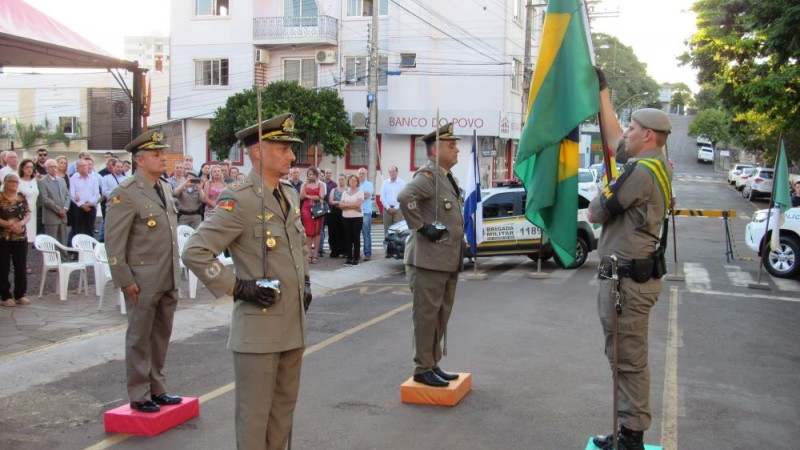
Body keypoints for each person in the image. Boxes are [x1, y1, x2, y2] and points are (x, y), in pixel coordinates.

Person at [182, 113, 311, 450]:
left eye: (290, 149)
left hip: (292, 324)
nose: (291, 156)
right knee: (254, 417)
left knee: (283, 413)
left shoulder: (290, 194)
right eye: (283, 148)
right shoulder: (239, 198)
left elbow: (296, 247)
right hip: (259, 327)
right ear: (258, 152)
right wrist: (237, 287)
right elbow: (195, 251)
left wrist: (306, 282)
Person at [588, 69, 674, 450]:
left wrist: (598, 189)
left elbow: (595, 211)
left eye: (632, 130)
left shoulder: (641, 172)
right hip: (629, 280)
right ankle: (627, 432)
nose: (626, 135)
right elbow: (612, 138)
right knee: (624, 358)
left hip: (627, 284)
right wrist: (603, 93)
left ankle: (632, 438)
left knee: (628, 362)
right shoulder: (655, 164)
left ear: (648, 136)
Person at [105, 130, 183, 414]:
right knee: (139, 337)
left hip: (167, 276)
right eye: (156, 154)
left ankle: (157, 388)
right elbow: (114, 242)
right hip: (142, 280)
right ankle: (139, 393)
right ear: (139, 160)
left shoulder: (162, 187)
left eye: (162, 153)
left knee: (161, 335)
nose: (163, 158)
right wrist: (125, 280)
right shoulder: (124, 194)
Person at [397, 122, 464, 388]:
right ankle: (422, 367)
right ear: (435, 151)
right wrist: (422, 227)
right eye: (451, 145)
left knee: (440, 315)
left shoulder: (446, 177)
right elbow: (405, 197)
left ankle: (432, 363)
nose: (456, 149)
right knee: (426, 316)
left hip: (445, 261)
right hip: (428, 261)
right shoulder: (428, 177)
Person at [0, 173, 32, 307]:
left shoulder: (21, 196)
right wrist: (8, 225)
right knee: (3, 266)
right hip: (3, 236)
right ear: (6, 182)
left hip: (19, 235)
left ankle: (20, 294)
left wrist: (21, 223)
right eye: (12, 182)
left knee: (20, 265)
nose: (15, 184)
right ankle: (5, 295)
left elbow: (28, 213)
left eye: (17, 182)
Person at [37, 159, 70, 257]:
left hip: (63, 215)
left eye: (55, 166)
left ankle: (64, 258)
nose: (54, 169)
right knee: (51, 240)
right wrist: (57, 209)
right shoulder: (42, 182)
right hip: (51, 216)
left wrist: (65, 208)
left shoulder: (62, 180)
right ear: (46, 169)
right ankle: (51, 260)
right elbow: (44, 198)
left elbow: (67, 196)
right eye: (51, 167)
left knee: (63, 239)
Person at [299, 166, 327, 264]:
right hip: (306, 209)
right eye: (309, 174)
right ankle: (309, 254)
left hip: (317, 209)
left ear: (316, 175)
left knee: (317, 232)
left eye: (313, 174)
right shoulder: (304, 184)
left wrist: (308, 196)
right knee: (308, 232)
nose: (311, 176)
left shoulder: (321, 184)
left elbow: (320, 196)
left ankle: (315, 254)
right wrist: (303, 186)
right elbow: (301, 197)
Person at [69, 159, 100, 240]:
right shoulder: (73, 178)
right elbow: (72, 194)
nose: (84, 167)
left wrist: (89, 203)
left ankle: (89, 251)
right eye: (81, 166)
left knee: (90, 229)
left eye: (85, 165)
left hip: (91, 207)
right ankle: (77, 251)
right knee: (78, 230)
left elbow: (96, 194)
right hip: (78, 207)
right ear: (77, 168)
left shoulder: (94, 178)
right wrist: (82, 204)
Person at [99, 158, 128, 242]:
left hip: (123, 205)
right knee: (109, 224)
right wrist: (117, 196)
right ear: (113, 167)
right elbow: (105, 191)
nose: (119, 168)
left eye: (121, 167)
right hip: (111, 204)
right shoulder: (106, 178)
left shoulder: (126, 179)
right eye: (117, 166)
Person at [340, 174, 364, 267]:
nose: (352, 182)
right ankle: (349, 258)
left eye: (354, 180)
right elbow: (341, 205)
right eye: (351, 180)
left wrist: (347, 205)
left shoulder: (360, 192)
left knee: (356, 238)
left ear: (357, 182)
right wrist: (352, 205)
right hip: (346, 217)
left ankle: (356, 258)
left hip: (357, 218)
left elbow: (358, 205)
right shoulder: (345, 193)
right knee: (348, 238)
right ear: (348, 182)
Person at [17, 159, 39, 247]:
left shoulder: (34, 181)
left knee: (31, 238)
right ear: (22, 168)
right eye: (27, 167)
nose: (29, 169)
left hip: (33, 211)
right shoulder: (18, 181)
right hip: (22, 212)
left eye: (31, 167)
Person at [380, 165, 407, 236]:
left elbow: (403, 196)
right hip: (387, 210)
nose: (392, 173)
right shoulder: (385, 183)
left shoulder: (402, 182)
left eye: (393, 171)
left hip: (398, 210)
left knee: (398, 230)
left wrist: (395, 208)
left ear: (397, 172)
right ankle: (387, 246)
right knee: (387, 230)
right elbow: (382, 197)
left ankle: (396, 246)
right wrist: (388, 208)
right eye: (390, 172)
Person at [327, 174, 346, 258]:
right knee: (334, 233)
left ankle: (344, 251)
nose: (341, 181)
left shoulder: (348, 190)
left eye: (342, 179)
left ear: (345, 180)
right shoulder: (333, 190)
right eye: (339, 179)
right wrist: (340, 202)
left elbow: (348, 201)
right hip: (334, 213)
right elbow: (331, 201)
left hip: (345, 213)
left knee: (344, 232)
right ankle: (335, 251)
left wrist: (337, 202)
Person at [319, 168, 337, 257]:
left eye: (329, 173)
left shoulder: (334, 184)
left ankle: (332, 248)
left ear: (331, 174)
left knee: (331, 231)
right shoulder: (321, 183)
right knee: (321, 230)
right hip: (322, 210)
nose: (328, 174)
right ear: (324, 173)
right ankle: (320, 249)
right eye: (326, 173)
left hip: (331, 210)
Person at [357, 167, 374, 261]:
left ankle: (367, 254)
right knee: (356, 234)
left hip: (366, 212)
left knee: (366, 234)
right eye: (360, 173)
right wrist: (360, 194)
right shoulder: (355, 184)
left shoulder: (369, 184)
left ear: (366, 174)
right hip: (355, 212)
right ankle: (357, 253)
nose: (361, 175)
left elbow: (367, 195)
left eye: (363, 173)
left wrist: (356, 195)